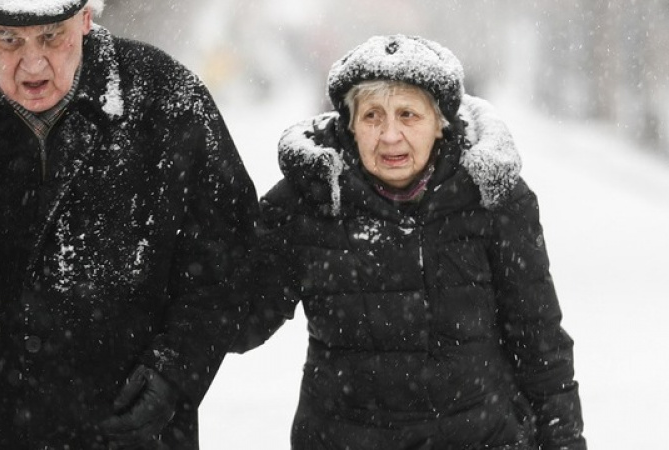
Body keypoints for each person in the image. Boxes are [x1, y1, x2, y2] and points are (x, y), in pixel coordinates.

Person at [0, 1, 258, 449]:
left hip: (123, 434)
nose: (33, 65)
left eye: (51, 36)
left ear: (86, 19)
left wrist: (174, 369)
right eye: (8, 39)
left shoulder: (169, 100)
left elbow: (230, 269)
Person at [232, 35, 587, 449]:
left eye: (408, 115)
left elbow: (540, 343)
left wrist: (564, 441)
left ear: (440, 123)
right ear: (350, 124)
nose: (390, 135)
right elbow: (238, 321)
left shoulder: (492, 200)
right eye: (372, 116)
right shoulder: (307, 201)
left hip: (481, 437)